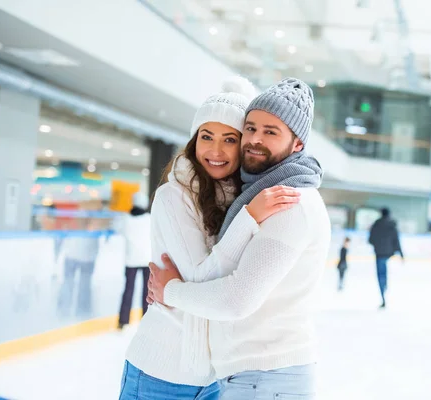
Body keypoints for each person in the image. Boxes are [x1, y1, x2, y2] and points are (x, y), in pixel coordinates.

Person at [147, 77, 330, 400]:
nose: (254, 140)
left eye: (270, 132)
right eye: (251, 128)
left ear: (298, 144)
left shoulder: (288, 203)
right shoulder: (254, 196)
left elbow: (236, 300)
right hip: (252, 375)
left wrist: (169, 291)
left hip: (265, 376)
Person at [117, 192, 152, 329]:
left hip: (130, 260)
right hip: (146, 259)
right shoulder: (149, 219)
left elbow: (120, 230)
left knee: (128, 289)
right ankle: (146, 320)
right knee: (146, 291)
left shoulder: (125, 219)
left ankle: (123, 320)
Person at [368, 208, 404, 309]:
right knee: (384, 272)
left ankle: (382, 292)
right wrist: (401, 254)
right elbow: (396, 241)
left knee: (380, 274)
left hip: (379, 253)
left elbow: (370, 240)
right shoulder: (392, 226)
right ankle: (384, 285)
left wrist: (377, 245)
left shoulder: (376, 225)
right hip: (388, 254)